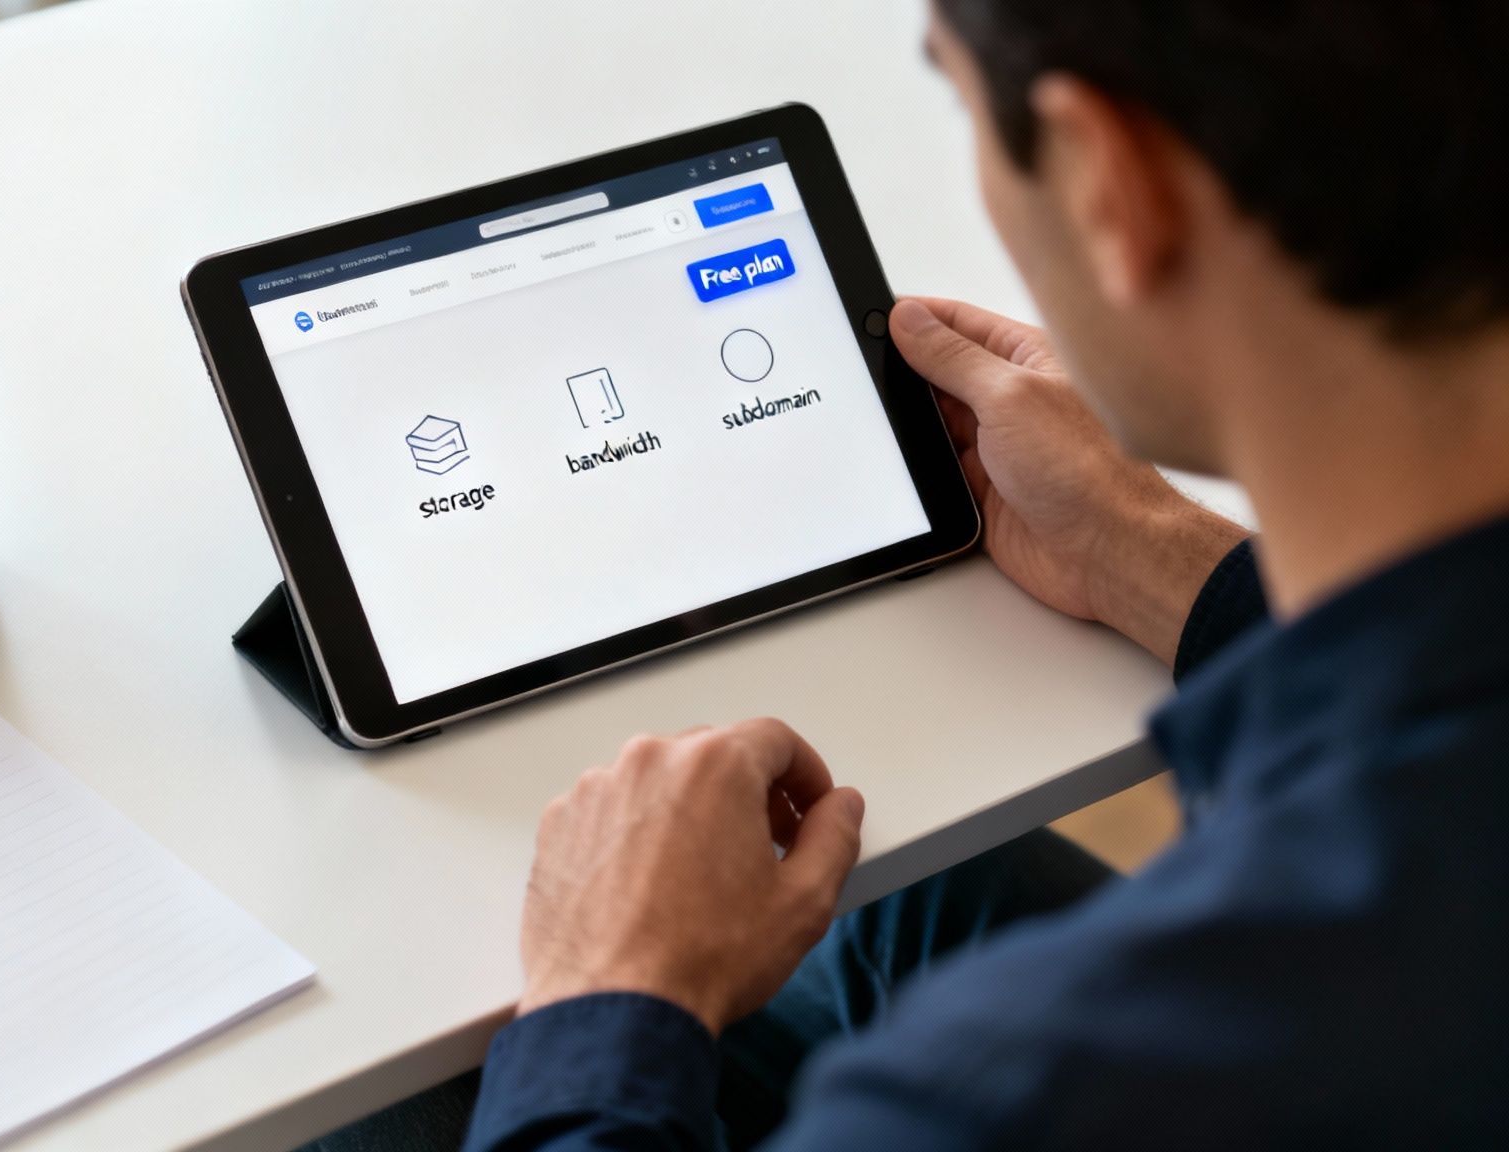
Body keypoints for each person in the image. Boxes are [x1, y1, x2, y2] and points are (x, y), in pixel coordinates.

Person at [308, 1, 1509, 1147]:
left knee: (373, 1091)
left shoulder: (1011, 1093)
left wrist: (604, 995)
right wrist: (1152, 553)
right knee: (911, 887)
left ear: (1110, 183)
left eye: (965, 109)